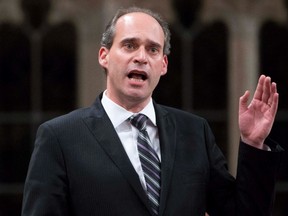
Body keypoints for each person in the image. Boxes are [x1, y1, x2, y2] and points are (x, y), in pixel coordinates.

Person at [21, 6, 283, 216]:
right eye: (129, 45)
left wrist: (253, 144)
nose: (141, 57)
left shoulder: (194, 132)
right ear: (104, 55)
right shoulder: (60, 137)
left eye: (153, 49)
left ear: (163, 64)